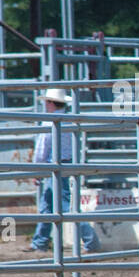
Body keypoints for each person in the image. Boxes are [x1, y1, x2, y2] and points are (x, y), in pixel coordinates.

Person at [27, 88, 100, 253]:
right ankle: (40, 242)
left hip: (54, 166)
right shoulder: (68, 119)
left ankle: (91, 242)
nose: (45, 104)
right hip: (66, 164)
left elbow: (41, 149)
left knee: (66, 206)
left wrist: (36, 170)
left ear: (51, 103)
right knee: (48, 204)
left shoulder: (48, 121)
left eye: (46, 101)